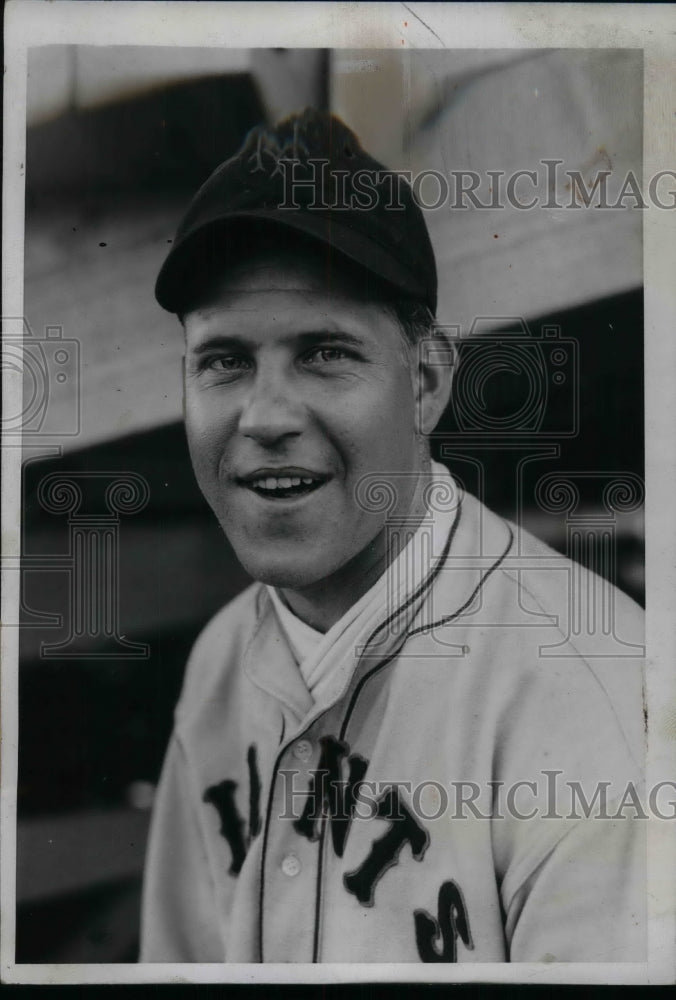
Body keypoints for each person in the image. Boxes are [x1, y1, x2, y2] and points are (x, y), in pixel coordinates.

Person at [140, 109, 645, 963]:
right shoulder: (222, 662)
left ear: (427, 381)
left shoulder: (596, 698)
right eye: (224, 360)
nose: (263, 417)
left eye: (325, 353)